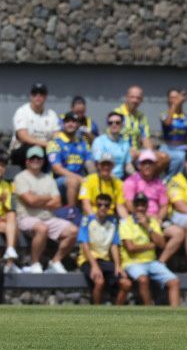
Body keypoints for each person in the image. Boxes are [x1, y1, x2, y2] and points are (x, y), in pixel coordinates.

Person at [14, 145, 77, 273]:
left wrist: (37, 199)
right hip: (27, 217)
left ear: (43, 161)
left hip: (49, 217)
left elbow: (58, 203)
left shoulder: (49, 179)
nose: (36, 161)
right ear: (27, 161)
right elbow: (29, 201)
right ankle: (34, 263)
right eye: (32, 158)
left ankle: (55, 261)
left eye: (39, 158)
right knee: (42, 228)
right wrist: (48, 198)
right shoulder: (20, 178)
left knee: (73, 230)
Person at [120, 193, 180, 307]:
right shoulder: (126, 223)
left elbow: (162, 244)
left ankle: (175, 314)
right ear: (133, 206)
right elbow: (130, 248)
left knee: (174, 281)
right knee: (143, 280)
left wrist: (147, 227)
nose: (140, 208)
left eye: (143, 205)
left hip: (151, 262)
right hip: (132, 262)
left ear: (147, 206)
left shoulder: (152, 222)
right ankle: (149, 309)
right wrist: (150, 245)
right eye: (137, 205)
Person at [77, 193, 124, 306]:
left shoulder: (113, 222)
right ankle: (96, 312)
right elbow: (85, 245)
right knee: (99, 282)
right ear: (95, 205)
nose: (103, 208)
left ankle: (118, 313)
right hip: (88, 259)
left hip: (105, 260)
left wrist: (117, 265)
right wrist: (94, 266)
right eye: (100, 205)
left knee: (126, 283)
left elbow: (114, 245)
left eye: (106, 205)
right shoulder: (87, 220)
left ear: (110, 207)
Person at [48, 111, 91, 213]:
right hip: (59, 182)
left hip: (80, 180)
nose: (71, 124)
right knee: (73, 181)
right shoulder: (55, 142)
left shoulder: (83, 143)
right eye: (67, 121)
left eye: (74, 121)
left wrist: (94, 178)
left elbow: (90, 163)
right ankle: (71, 213)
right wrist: (80, 178)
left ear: (78, 125)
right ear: (63, 124)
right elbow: (57, 169)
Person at [10, 83, 59, 165]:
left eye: (41, 93)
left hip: (46, 148)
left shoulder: (52, 114)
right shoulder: (22, 111)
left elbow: (57, 135)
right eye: (35, 93)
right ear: (30, 96)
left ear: (46, 96)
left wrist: (53, 145)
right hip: (23, 148)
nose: (38, 96)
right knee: (35, 151)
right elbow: (23, 137)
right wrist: (46, 144)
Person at [160, 88, 187, 175]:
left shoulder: (186, 117)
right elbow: (168, 123)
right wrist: (174, 105)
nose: (175, 100)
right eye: (172, 98)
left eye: (176, 97)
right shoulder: (164, 114)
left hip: (181, 147)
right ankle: (169, 179)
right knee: (180, 157)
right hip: (168, 147)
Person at [90, 110, 133, 179]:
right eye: (111, 123)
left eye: (117, 122)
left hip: (120, 179)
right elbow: (98, 164)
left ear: (122, 125)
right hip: (104, 177)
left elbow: (128, 165)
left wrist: (137, 177)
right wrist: (114, 180)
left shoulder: (125, 143)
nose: (114, 124)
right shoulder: (99, 141)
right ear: (108, 125)